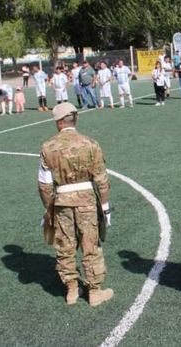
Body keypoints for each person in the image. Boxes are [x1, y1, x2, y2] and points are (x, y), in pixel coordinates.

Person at [38, 103, 114, 307]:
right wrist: (105, 207)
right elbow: (101, 180)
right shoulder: (90, 143)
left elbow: (44, 185)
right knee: (90, 246)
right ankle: (94, 291)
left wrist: (49, 209)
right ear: (75, 119)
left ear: (58, 122)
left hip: (62, 202)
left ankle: (72, 290)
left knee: (65, 246)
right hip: (87, 202)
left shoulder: (47, 147)